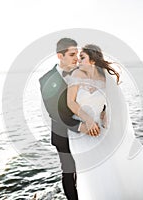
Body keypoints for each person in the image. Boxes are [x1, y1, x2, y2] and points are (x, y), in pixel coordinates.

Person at [66, 44, 143, 199]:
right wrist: (87, 121)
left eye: (82, 57)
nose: (78, 60)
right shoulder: (77, 75)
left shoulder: (104, 78)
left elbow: (110, 105)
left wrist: (106, 119)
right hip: (81, 129)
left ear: (92, 60)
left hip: (99, 128)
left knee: (114, 161)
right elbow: (71, 103)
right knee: (91, 168)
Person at [39, 38, 100, 200]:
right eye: (72, 54)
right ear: (60, 56)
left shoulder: (81, 72)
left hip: (88, 133)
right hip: (63, 134)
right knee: (69, 171)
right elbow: (54, 113)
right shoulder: (46, 80)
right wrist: (81, 126)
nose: (76, 58)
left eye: (77, 54)